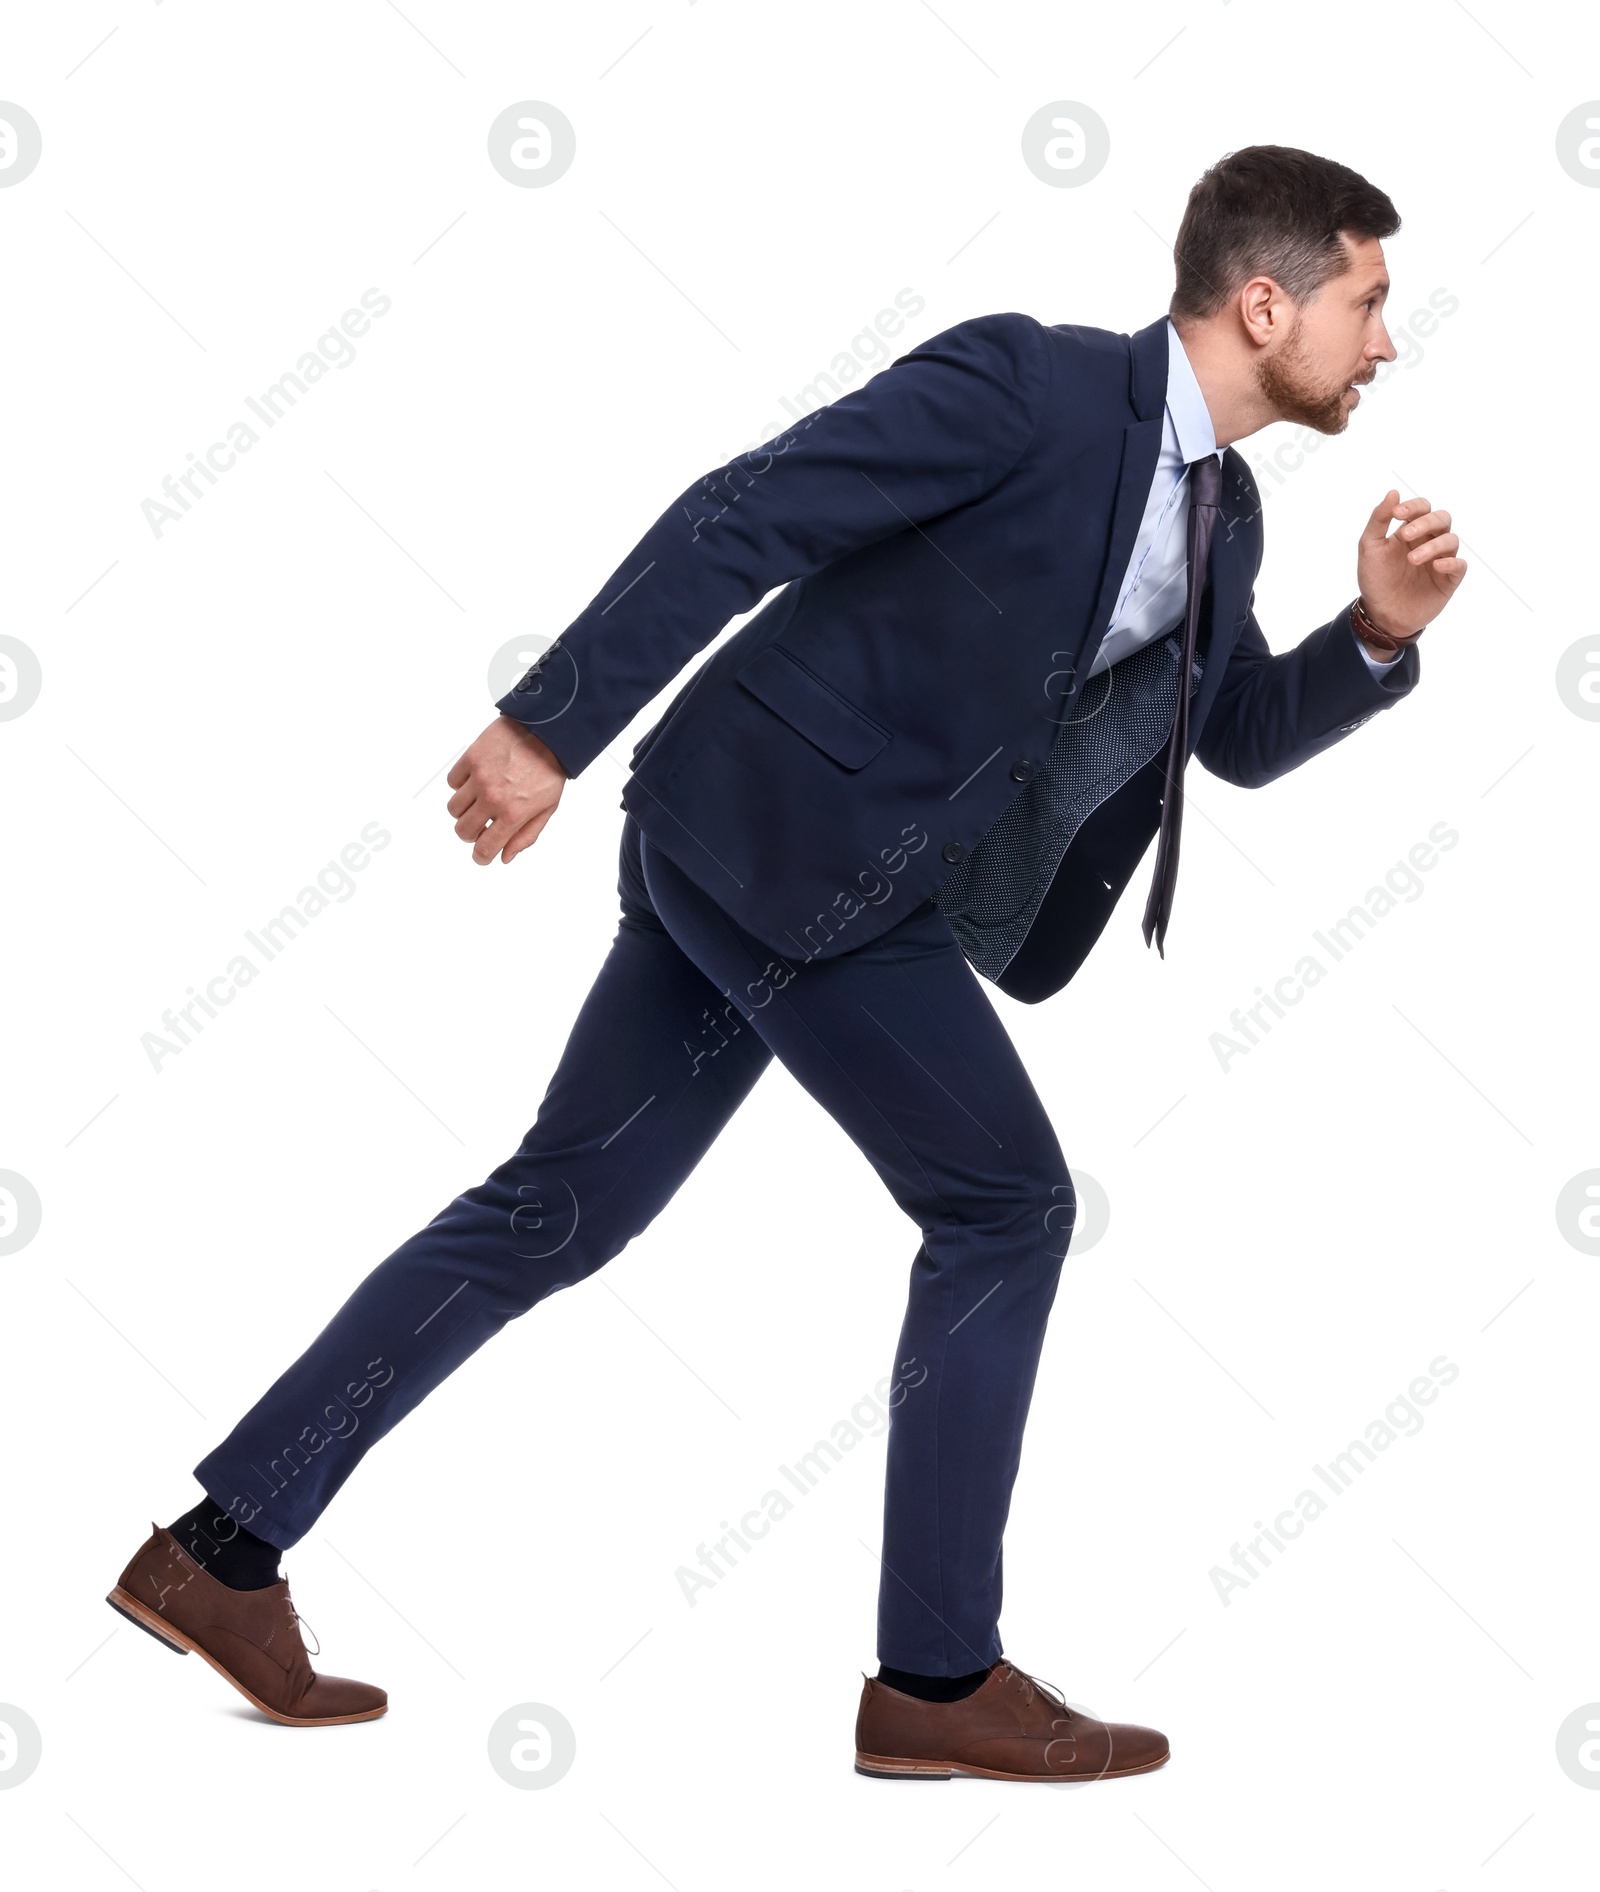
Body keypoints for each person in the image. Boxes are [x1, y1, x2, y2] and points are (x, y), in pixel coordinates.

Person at [108, 145, 1464, 1778]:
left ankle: (221, 1545)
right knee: (1005, 1205)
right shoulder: (1028, 383)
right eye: (1367, 301)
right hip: (791, 856)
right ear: (1267, 302)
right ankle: (938, 1685)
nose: (1384, 341)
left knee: (559, 1206)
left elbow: (1232, 734)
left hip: (764, 856)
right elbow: (752, 511)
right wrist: (547, 725)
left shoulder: (1224, 514)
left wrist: (1376, 635)